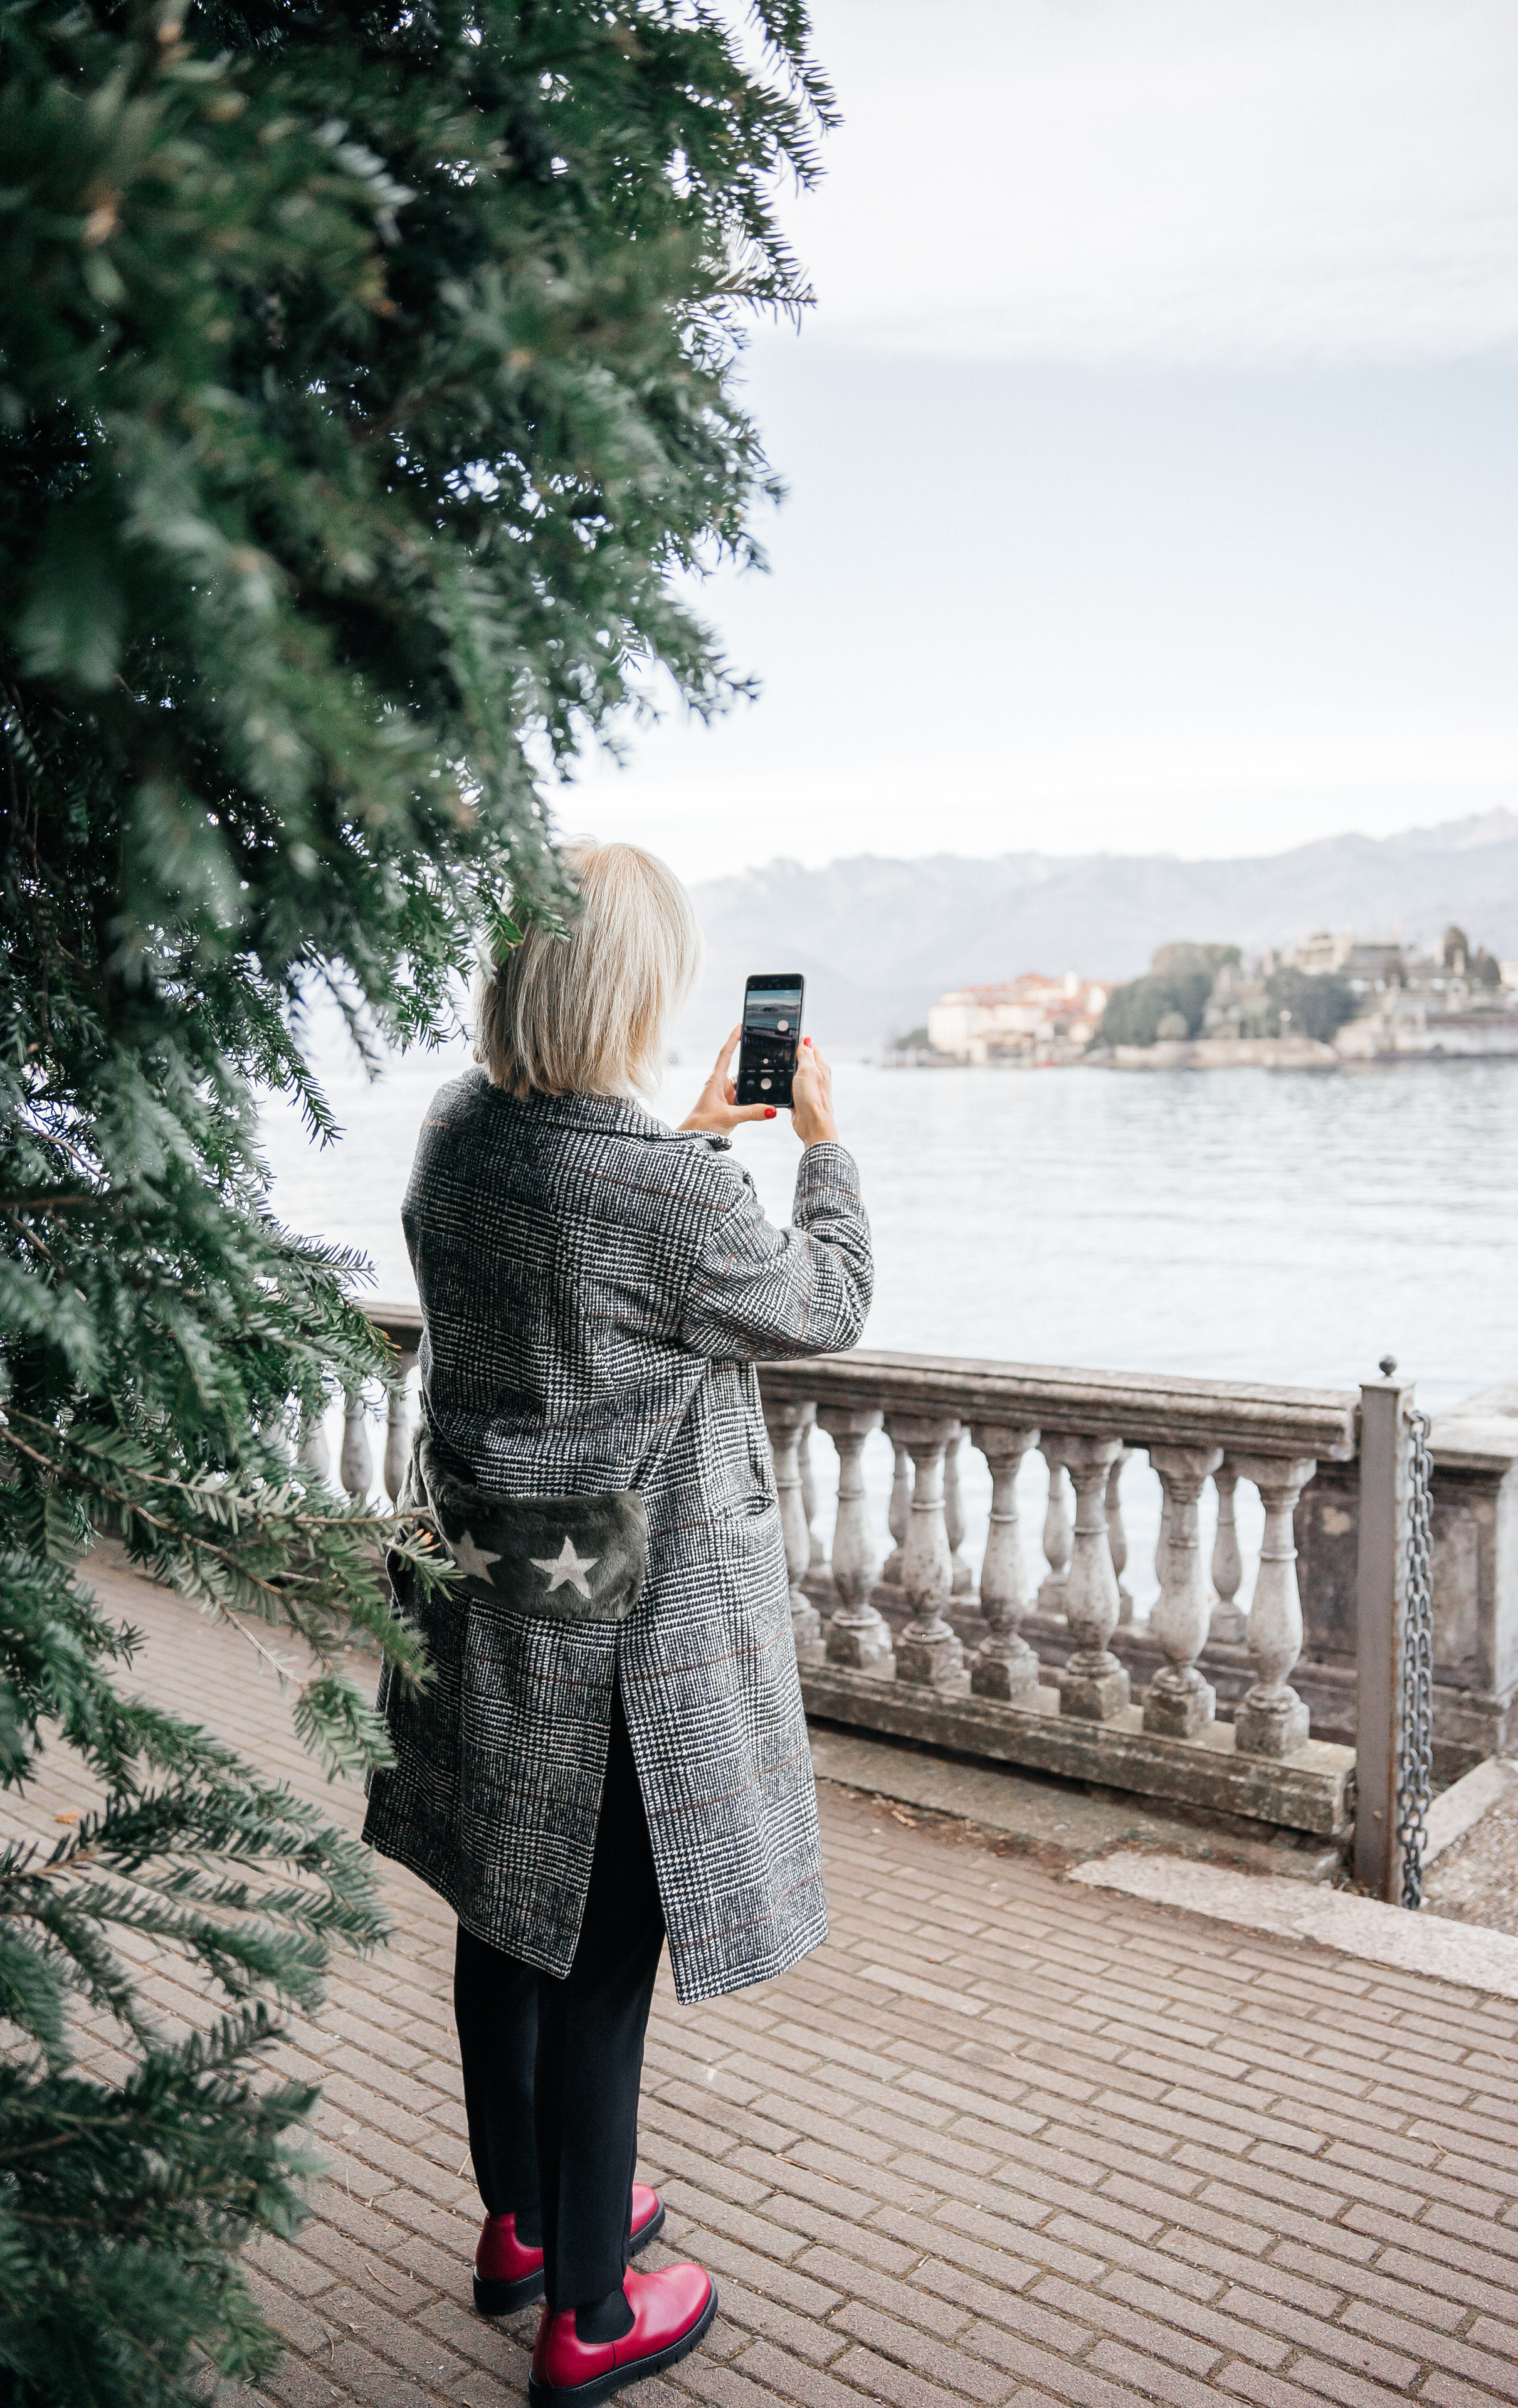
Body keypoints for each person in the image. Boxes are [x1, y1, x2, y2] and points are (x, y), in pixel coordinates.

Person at [362, 840, 872, 2405]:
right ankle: (590, 2309)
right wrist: (820, 1148)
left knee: (502, 1921)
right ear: (629, 992)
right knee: (598, 1973)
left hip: (500, 1596)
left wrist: (694, 1139)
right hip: (637, 1647)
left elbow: (584, 1243)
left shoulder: (458, 1133)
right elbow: (825, 1300)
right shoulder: (668, 1195)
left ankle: (524, 2223)